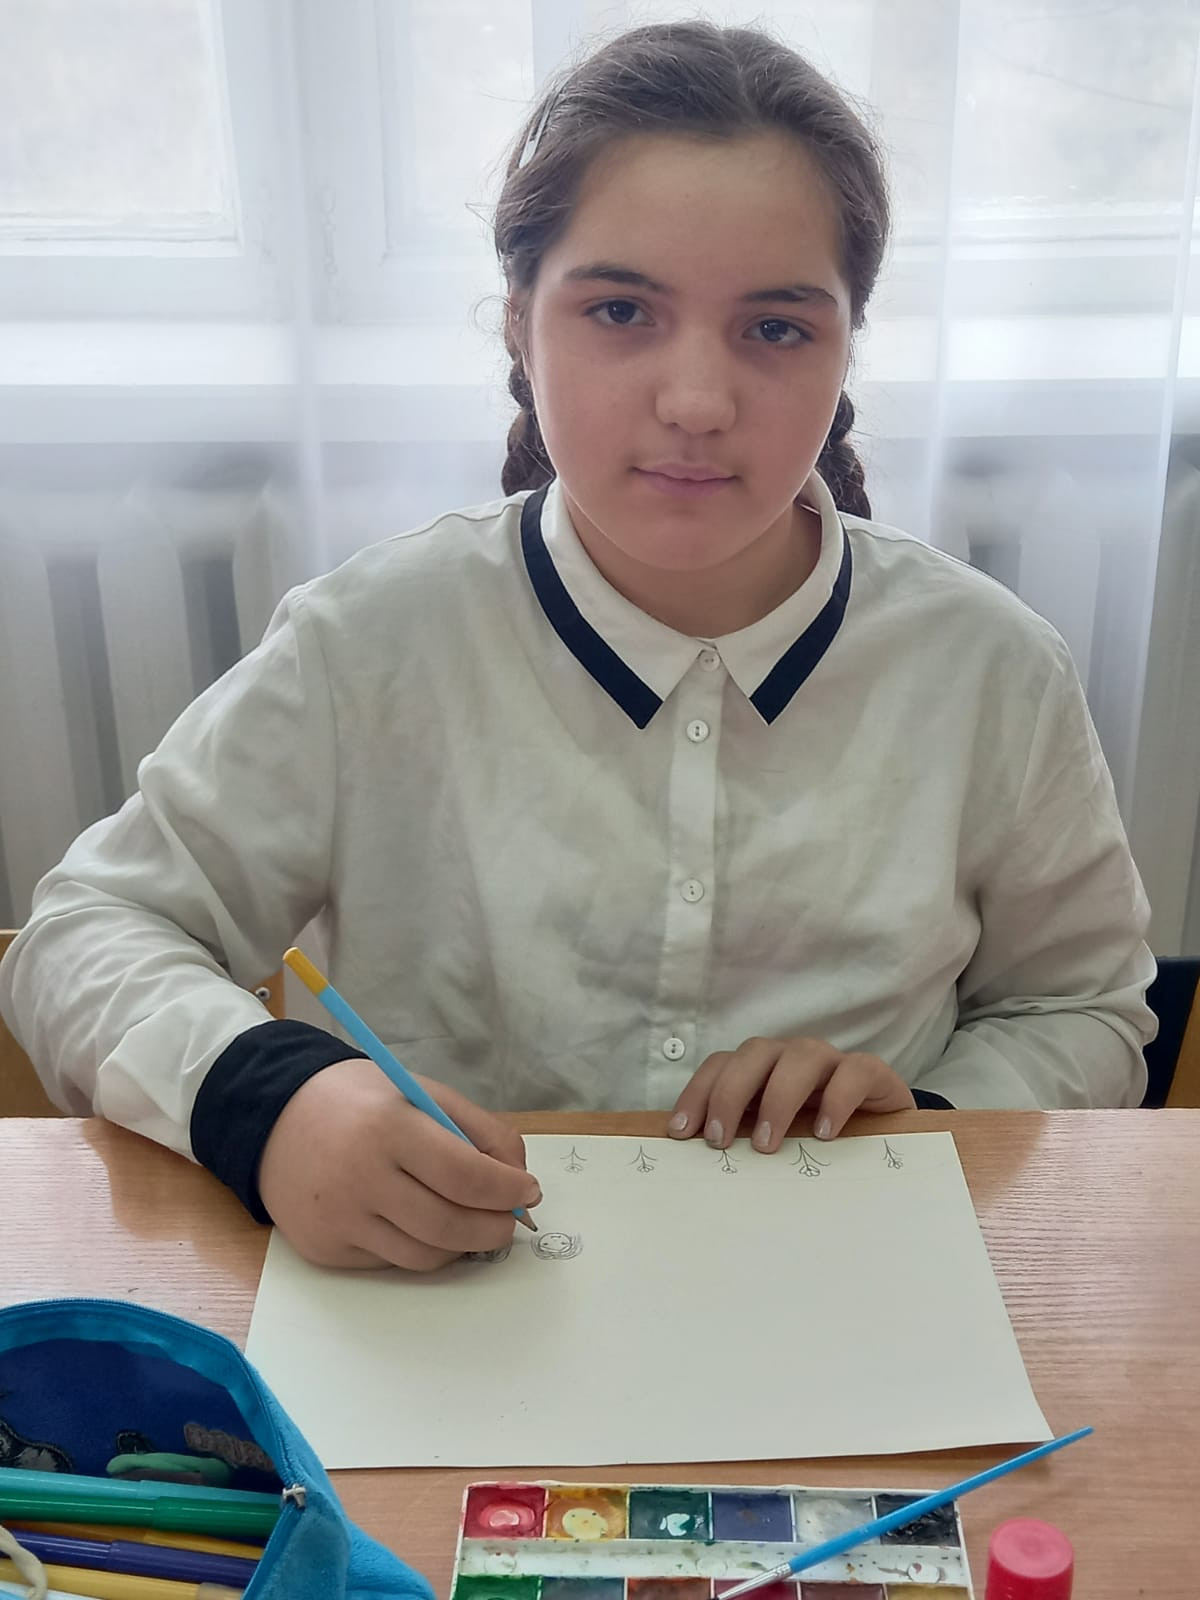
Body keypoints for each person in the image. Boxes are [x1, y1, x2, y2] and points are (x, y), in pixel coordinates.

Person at [0, 21, 1155, 1274]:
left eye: (776, 328)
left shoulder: (990, 671)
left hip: (845, 1278)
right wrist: (270, 1100)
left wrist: (930, 1117)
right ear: (519, 324)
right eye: (620, 309)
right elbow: (87, 931)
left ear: (847, 344)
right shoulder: (370, 643)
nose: (697, 401)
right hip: (436, 1292)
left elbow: (1082, 1007)